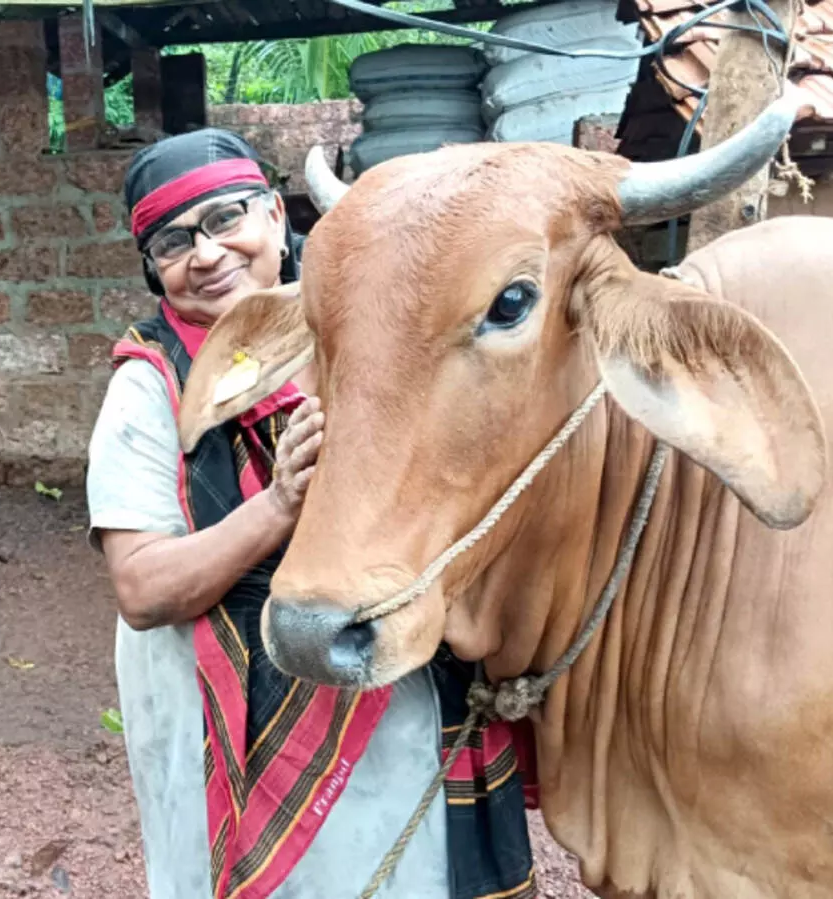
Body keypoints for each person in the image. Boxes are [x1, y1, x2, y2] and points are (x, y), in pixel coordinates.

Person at [84, 128, 538, 899]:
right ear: (153, 270)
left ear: (272, 213)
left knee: (401, 872)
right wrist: (281, 504)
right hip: (221, 717)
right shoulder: (148, 388)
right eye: (172, 241)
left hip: (385, 688)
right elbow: (142, 587)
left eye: (226, 217)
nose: (206, 253)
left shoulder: (370, 336)